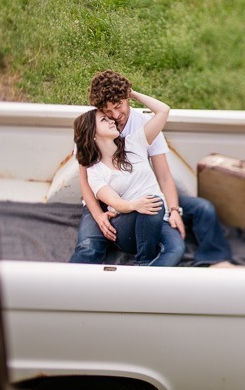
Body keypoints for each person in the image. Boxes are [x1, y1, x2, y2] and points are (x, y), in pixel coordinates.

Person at [71, 69, 233, 266]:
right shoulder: (91, 128)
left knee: (202, 209)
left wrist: (174, 210)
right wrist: (98, 216)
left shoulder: (141, 128)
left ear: (126, 97)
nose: (115, 115)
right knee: (88, 246)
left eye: (118, 105)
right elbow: (86, 181)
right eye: (107, 111)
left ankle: (216, 259)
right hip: (103, 200)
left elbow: (164, 176)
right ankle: (68, 289)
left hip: (141, 192)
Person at [69, 88, 186, 266]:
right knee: (88, 247)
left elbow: (163, 110)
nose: (112, 119)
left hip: (153, 213)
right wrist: (128, 206)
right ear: (92, 134)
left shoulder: (134, 142)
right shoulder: (95, 169)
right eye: (105, 117)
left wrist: (131, 93)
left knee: (176, 248)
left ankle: (144, 274)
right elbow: (113, 201)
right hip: (126, 217)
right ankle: (68, 285)